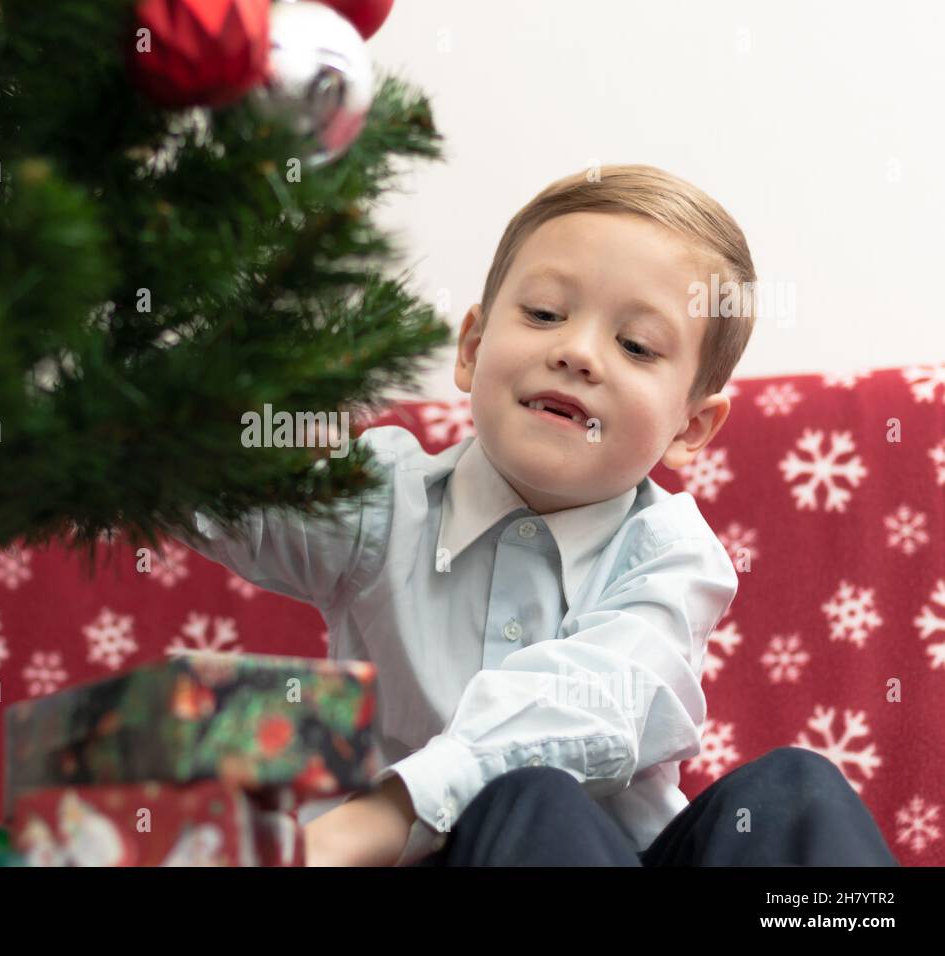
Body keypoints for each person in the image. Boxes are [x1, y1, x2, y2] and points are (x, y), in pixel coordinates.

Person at [177, 164, 898, 867]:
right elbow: (195, 490)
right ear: (472, 348)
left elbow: (593, 701)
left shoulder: (669, 556)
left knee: (797, 789)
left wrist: (386, 813)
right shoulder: (382, 502)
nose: (578, 353)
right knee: (534, 802)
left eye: (637, 346)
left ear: (691, 427)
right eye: (545, 314)